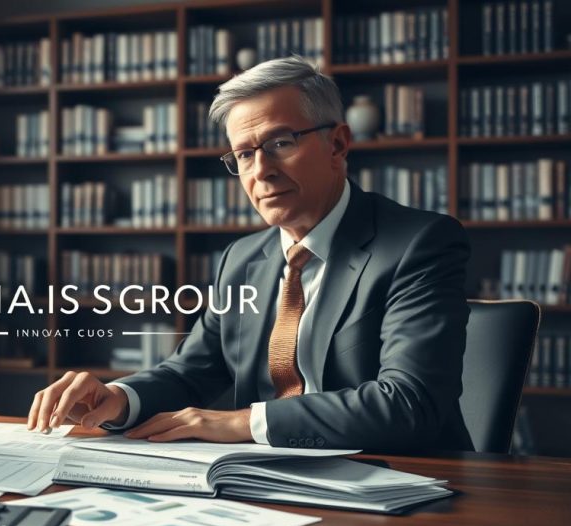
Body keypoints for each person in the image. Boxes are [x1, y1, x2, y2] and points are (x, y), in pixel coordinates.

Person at [26, 55, 474, 452]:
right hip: (264, 481)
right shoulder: (241, 259)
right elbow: (192, 371)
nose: (261, 171)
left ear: (337, 144)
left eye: (281, 143)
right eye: (243, 154)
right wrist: (120, 398)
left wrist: (244, 422)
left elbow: (410, 402)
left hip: (400, 482)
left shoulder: (419, 243)